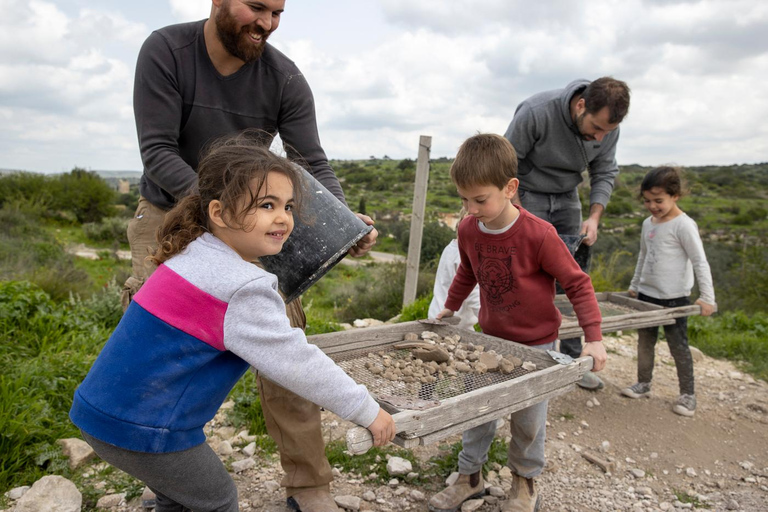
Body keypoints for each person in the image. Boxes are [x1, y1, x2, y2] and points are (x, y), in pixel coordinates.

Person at [126, 1, 377, 509]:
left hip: (246, 222)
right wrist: (221, 212)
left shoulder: (285, 78)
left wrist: (347, 224)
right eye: (256, 7)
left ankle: (310, 488)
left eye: (278, 12)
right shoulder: (166, 51)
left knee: (286, 349)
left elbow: (312, 161)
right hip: (171, 212)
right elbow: (158, 153)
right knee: (159, 358)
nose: (267, 22)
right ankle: (171, 485)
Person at [70, 134, 396, 512]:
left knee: (178, 496)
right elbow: (295, 361)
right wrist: (366, 410)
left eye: (288, 206)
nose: (282, 218)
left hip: (102, 410)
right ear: (219, 213)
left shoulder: (192, 252)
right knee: (217, 499)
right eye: (266, 205)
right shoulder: (242, 286)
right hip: (146, 427)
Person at [429, 134, 606, 512]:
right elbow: (468, 272)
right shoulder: (468, 230)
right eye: (463, 199)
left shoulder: (539, 235)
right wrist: (451, 306)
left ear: (510, 188)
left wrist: (593, 337)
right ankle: (468, 478)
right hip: (490, 341)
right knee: (478, 411)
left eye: (480, 199)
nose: (470, 208)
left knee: (528, 421)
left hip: (537, 345)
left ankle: (524, 484)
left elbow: (577, 283)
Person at [504, 76, 630, 391]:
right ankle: (522, 358)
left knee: (570, 276)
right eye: (597, 128)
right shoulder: (535, 111)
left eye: (608, 132)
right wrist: (519, 215)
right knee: (530, 275)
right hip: (528, 193)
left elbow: (604, 171)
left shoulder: (607, 130)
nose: (600, 138)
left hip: (567, 198)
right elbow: (507, 163)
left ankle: (576, 362)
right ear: (580, 105)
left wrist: (594, 217)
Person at [622, 166, 716, 417]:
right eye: (647, 201)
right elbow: (644, 255)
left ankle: (687, 394)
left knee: (678, 346)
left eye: (658, 200)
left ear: (675, 195)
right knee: (645, 343)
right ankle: (643, 383)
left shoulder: (684, 225)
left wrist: (707, 297)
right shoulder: (647, 224)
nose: (652, 206)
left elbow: (699, 261)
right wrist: (634, 284)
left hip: (674, 299)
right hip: (646, 295)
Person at [428, 208, 480, 330]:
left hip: (439, 313)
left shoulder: (450, 248)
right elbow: (473, 294)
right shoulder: (463, 255)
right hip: (453, 322)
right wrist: (490, 323)